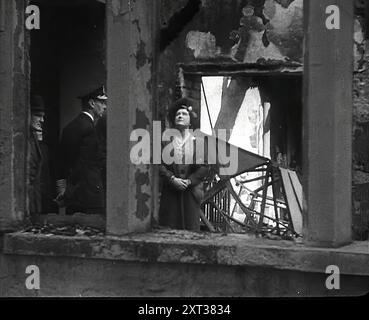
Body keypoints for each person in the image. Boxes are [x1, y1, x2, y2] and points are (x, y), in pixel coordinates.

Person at [158, 97, 208, 231]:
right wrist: (172, 179)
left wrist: (189, 181)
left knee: (190, 229)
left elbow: (203, 167)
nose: (180, 116)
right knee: (169, 228)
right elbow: (158, 164)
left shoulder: (198, 142)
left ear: (190, 120)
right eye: (177, 114)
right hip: (170, 192)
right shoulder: (165, 140)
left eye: (184, 114)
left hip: (190, 194)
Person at [55, 86, 107, 215]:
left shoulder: (71, 127)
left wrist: (63, 189)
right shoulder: (90, 129)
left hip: (74, 194)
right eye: (102, 102)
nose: (105, 107)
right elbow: (91, 164)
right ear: (91, 103)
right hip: (89, 196)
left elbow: (63, 162)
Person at [28, 95, 45, 214]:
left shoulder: (33, 137)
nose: (42, 120)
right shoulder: (20, 139)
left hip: (33, 202)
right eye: (38, 116)